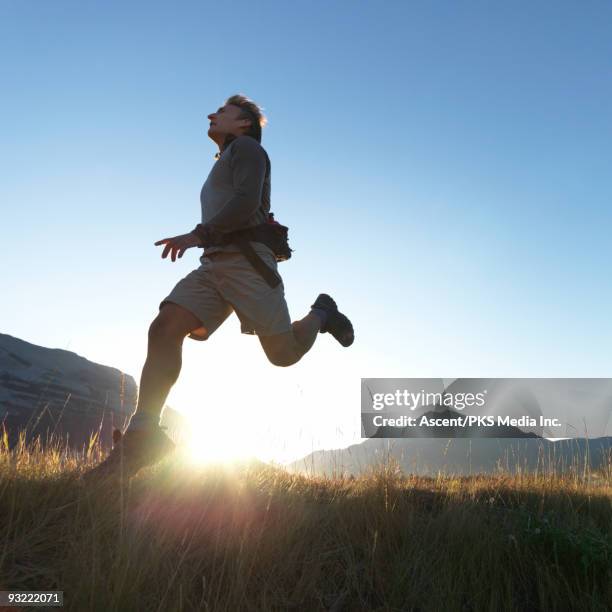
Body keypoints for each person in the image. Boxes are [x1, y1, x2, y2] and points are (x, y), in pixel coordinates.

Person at [83, 94, 354, 483]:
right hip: (214, 263)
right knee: (164, 327)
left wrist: (199, 234)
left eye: (223, 112)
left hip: (247, 263)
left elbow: (245, 203)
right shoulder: (224, 160)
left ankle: (322, 312)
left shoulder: (248, 149)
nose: (212, 114)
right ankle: (144, 433)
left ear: (244, 124)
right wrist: (206, 240)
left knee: (283, 355)